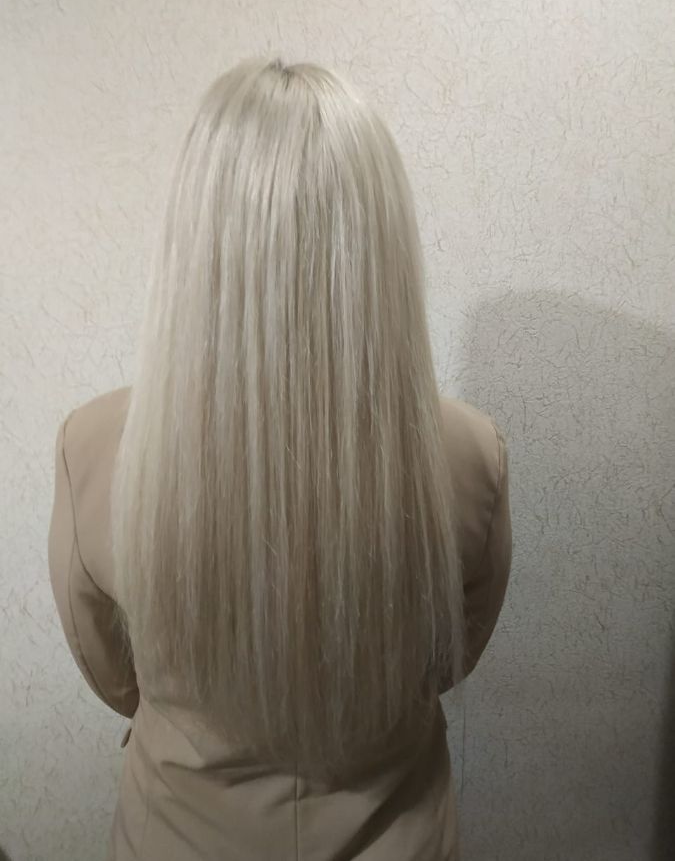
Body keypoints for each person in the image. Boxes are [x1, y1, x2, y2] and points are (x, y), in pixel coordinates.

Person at [48, 56, 512, 861]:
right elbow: (447, 661)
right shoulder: (470, 453)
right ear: (380, 238)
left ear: (194, 236)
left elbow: (115, 677)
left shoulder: (92, 445)